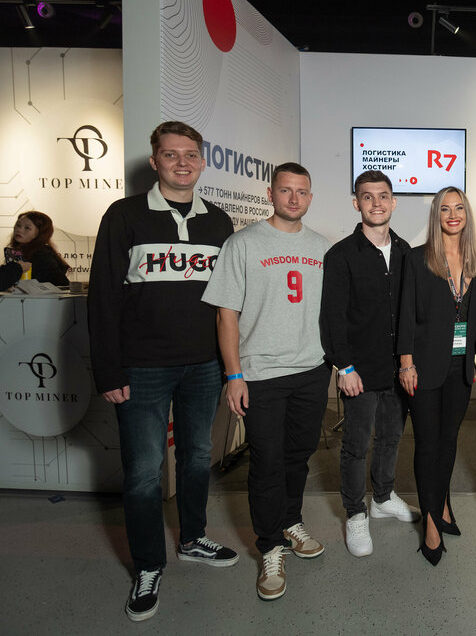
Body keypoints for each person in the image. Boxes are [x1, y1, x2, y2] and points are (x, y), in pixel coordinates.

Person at [88, 121, 238, 622]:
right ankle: (148, 566)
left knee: (196, 457)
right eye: (171, 154)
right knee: (143, 472)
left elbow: (228, 302)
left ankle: (193, 538)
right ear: (155, 162)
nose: (182, 162)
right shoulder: (124, 215)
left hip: (204, 365)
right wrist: (109, 371)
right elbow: (103, 297)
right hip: (142, 367)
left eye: (190, 154)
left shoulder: (218, 222)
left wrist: (231, 367)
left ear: (202, 161)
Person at [202, 162, 332, 600]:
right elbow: (226, 315)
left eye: (302, 191)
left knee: (298, 457)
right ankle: (270, 546)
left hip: (311, 371)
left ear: (310, 197)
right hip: (260, 374)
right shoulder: (242, 244)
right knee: (267, 462)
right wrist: (234, 375)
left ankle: (290, 522)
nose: (294, 198)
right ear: (270, 194)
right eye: (286, 190)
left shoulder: (321, 247)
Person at [320, 169, 419, 558]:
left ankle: (382, 497)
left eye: (383, 196)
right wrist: (344, 368)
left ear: (393, 202)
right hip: (358, 372)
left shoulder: (408, 251)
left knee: (391, 438)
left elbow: (412, 313)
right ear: (356, 203)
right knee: (356, 445)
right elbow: (333, 318)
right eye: (367, 196)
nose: (376, 203)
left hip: (399, 369)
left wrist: (410, 362)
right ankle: (355, 512)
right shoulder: (341, 255)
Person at [397, 187, 476, 566]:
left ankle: (442, 504)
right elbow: (405, 314)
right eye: (445, 209)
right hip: (424, 366)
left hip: (460, 367)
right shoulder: (417, 259)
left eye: (459, 208)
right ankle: (431, 522)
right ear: (436, 216)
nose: (453, 215)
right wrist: (406, 363)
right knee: (428, 445)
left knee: (448, 441)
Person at [1, 211, 71, 289]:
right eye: (18, 225)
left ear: (39, 233)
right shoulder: (17, 252)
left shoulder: (42, 255)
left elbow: (62, 284)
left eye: (27, 228)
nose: (19, 230)